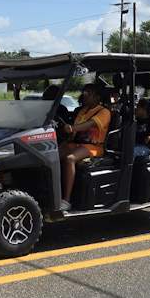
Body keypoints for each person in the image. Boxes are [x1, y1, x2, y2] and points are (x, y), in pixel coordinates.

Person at [57, 83, 111, 211]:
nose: (84, 96)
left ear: (97, 97)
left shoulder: (104, 112)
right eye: (84, 93)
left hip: (94, 146)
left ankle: (66, 200)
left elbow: (88, 125)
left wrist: (72, 128)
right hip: (77, 143)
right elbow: (75, 131)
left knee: (70, 159)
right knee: (53, 155)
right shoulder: (82, 110)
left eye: (88, 94)